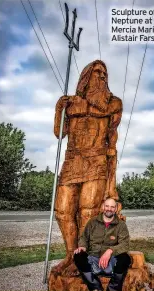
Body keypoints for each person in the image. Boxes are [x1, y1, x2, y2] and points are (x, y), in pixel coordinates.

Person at [53, 60, 123, 275]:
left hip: (96, 161)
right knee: (63, 210)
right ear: (86, 77)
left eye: (104, 74)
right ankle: (70, 255)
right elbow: (59, 133)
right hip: (72, 161)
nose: (102, 77)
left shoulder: (112, 103)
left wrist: (112, 183)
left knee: (87, 211)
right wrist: (59, 109)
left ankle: (83, 258)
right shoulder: (71, 104)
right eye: (97, 73)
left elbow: (112, 142)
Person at [74, 198, 131, 291]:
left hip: (111, 263)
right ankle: (95, 287)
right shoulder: (93, 222)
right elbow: (84, 237)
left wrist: (110, 251)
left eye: (112, 207)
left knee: (125, 258)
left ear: (116, 209)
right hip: (93, 260)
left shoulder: (121, 225)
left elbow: (125, 244)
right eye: (107, 206)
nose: (109, 209)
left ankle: (113, 288)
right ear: (103, 207)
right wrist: (82, 247)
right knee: (78, 255)